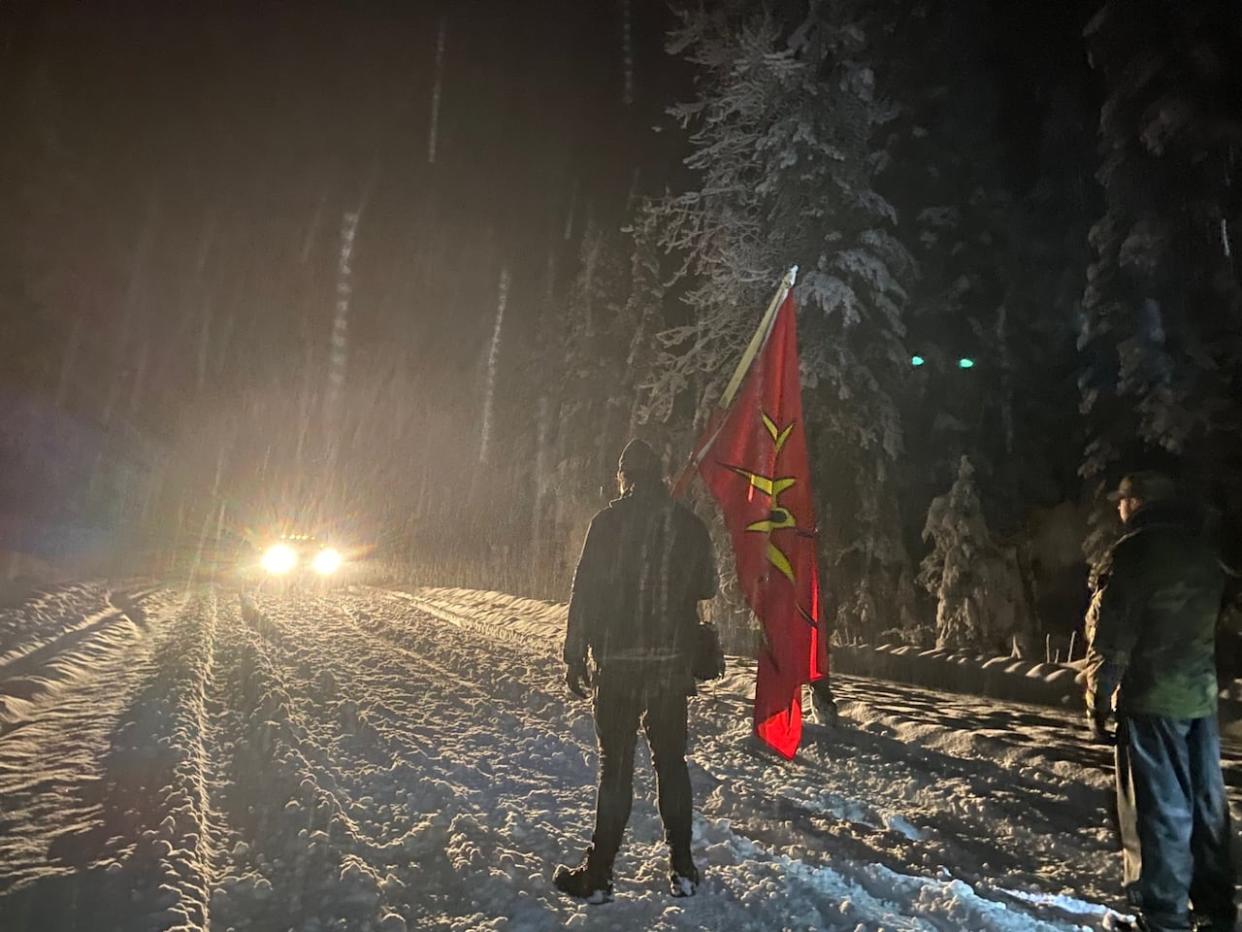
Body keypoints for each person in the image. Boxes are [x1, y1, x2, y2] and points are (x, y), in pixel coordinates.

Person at [554, 438, 717, 903]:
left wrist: (574, 652)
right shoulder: (687, 525)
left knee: (616, 768)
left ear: (624, 476)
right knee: (671, 763)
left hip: (619, 662)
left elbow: (584, 591)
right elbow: (708, 586)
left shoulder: (607, 524)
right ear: (662, 475)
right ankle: (683, 869)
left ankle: (600, 873)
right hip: (669, 664)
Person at [1084, 471, 1236, 932]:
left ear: (1141, 502)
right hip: (1200, 700)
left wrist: (1099, 699)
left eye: (1123, 500)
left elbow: (1111, 636)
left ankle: (1162, 917)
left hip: (1151, 698)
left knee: (1158, 808)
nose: (1118, 508)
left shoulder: (1134, 554)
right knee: (1208, 808)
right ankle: (1217, 911)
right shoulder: (1204, 553)